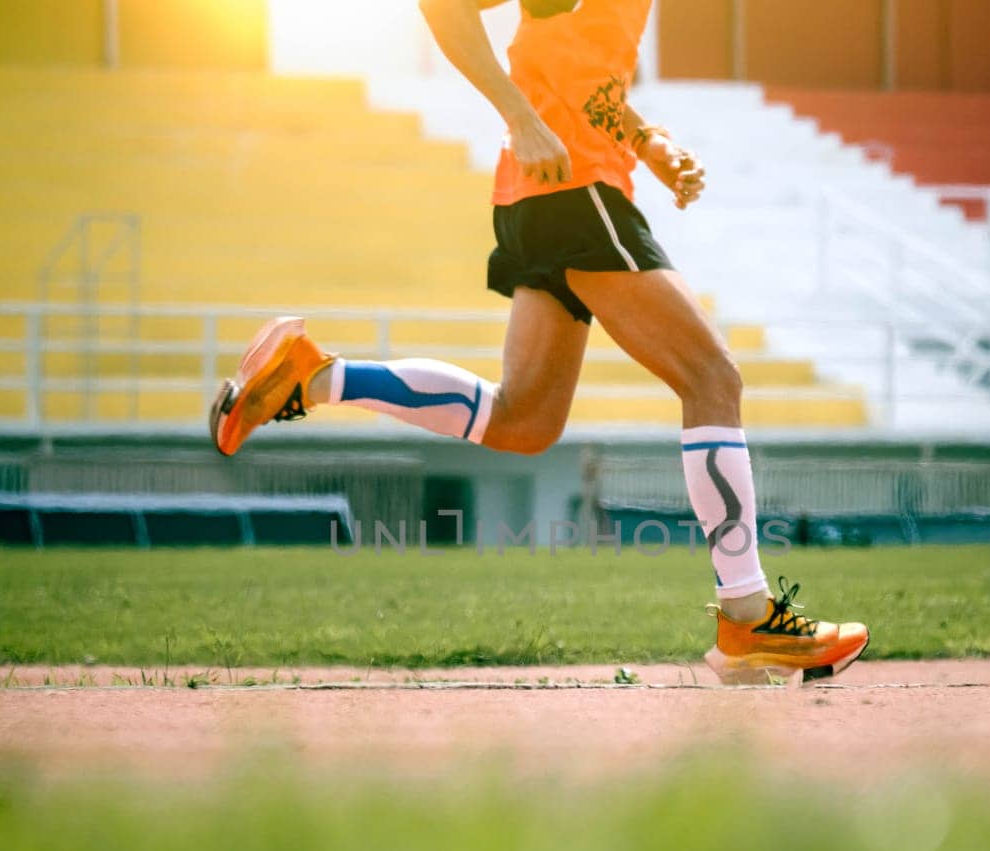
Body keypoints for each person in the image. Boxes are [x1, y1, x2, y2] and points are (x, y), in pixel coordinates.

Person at [208, 0, 868, 682]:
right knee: (713, 380)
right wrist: (520, 116)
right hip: (575, 190)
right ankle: (747, 614)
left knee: (523, 419)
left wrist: (649, 145)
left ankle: (313, 376)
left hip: (546, 190)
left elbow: (583, 79)